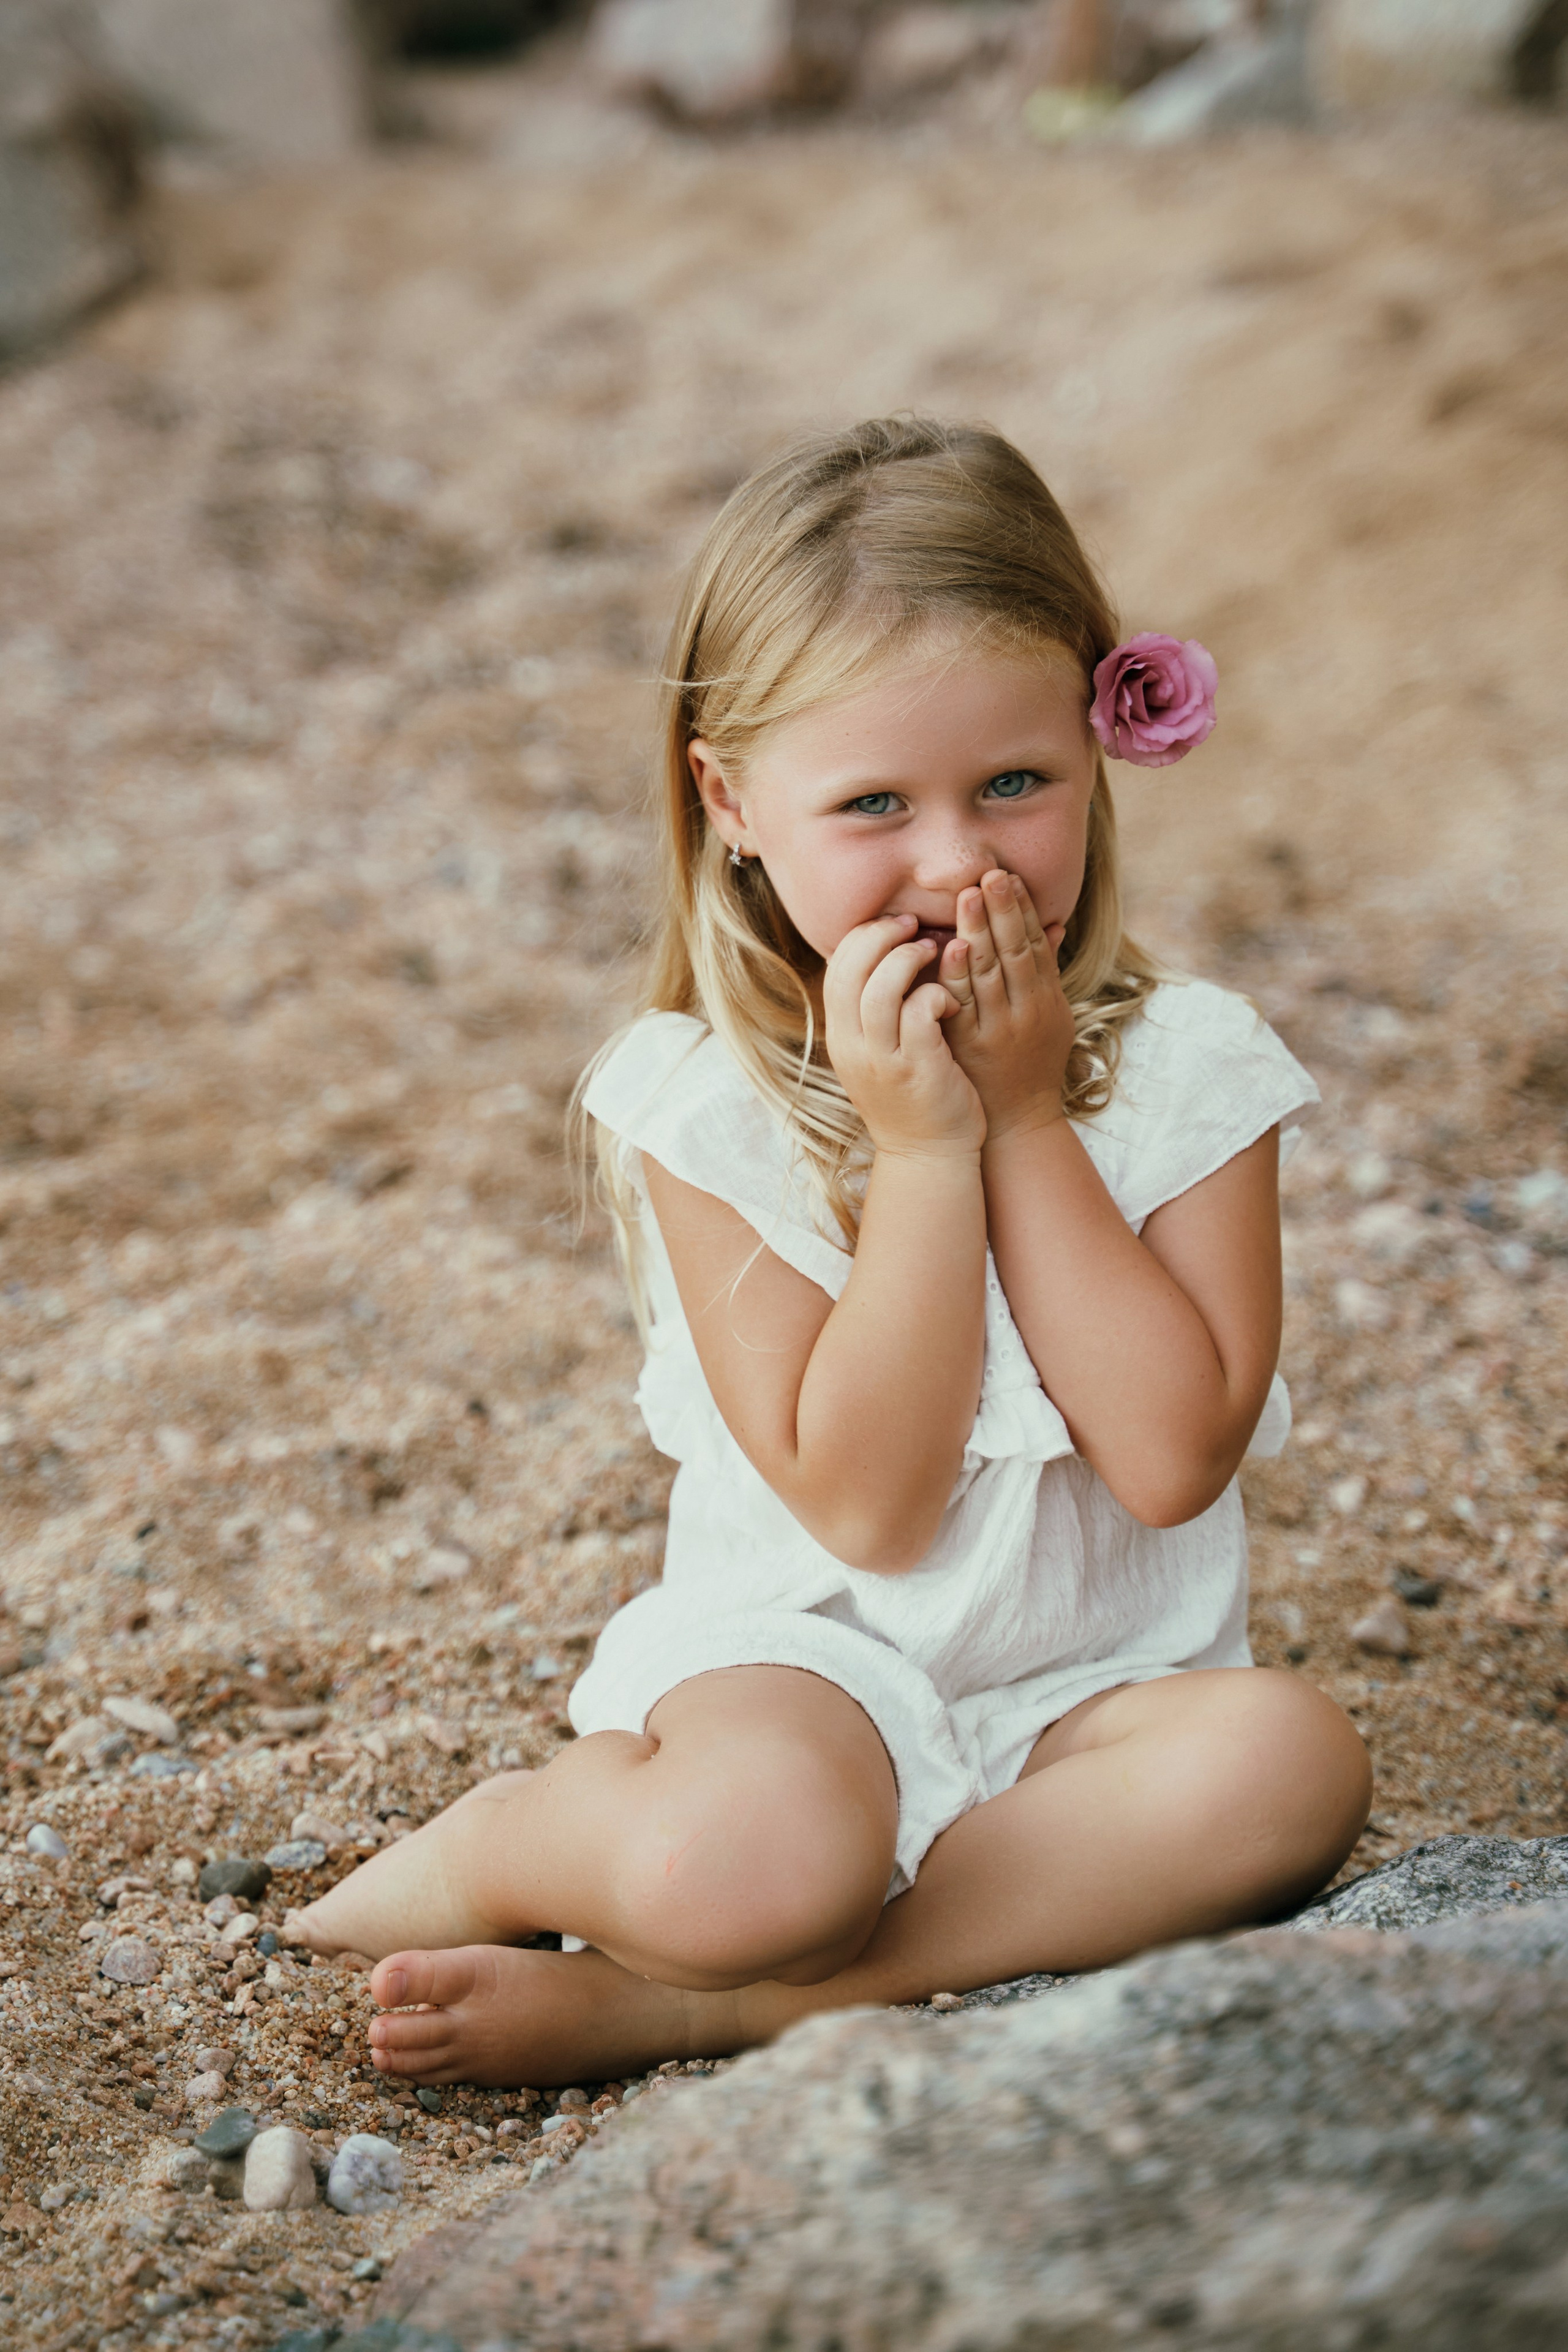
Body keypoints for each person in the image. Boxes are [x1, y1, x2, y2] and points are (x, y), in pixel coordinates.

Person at [288, 415, 1371, 2087]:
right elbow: (870, 1506)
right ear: (732, 802)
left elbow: (1166, 1462)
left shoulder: (1193, 1071)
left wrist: (1025, 1122)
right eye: (874, 803)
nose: (957, 862)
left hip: (1100, 1700)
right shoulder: (708, 1107)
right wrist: (929, 1149)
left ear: (1098, 752)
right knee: (756, 1869)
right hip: (805, 1671)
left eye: (1016, 783)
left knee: (1291, 1769)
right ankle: (520, 1842)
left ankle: (715, 2010)